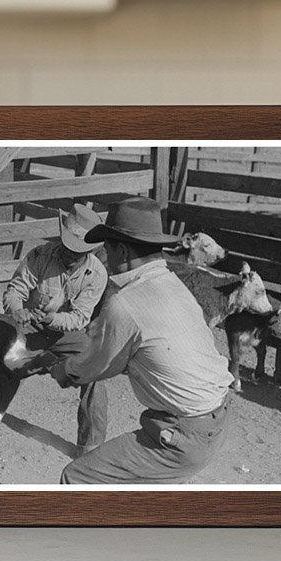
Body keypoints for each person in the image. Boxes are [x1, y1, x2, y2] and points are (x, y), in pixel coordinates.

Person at [49, 197, 236, 485]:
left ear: (121, 250)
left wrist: (61, 370)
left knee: (77, 476)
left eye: (107, 249)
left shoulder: (124, 303)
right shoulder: (175, 285)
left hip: (180, 436)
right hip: (216, 419)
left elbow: (95, 366)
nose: (106, 259)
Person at [1, 203, 110, 451]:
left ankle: (90, 447)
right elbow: (15, 290)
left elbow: (80, 318)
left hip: (65, 334)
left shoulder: (96, 274)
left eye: (78, 252)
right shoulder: (40, 255)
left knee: (95, 369)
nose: (70, 255)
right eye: (68, 247)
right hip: (27, 329)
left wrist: (52, 319)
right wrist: (18, 311)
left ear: (89, 250)